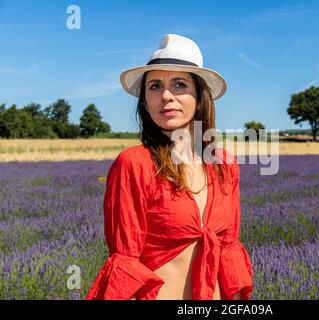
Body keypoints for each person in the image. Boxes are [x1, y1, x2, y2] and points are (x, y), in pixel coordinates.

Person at [86, 34, 254, 300]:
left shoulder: (226, 166)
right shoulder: (134, 164)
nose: (166, 96)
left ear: (200, 97)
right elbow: (125, 262)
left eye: (179, 84)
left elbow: (229, 253)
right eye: (154, 86)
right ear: (144, 101)